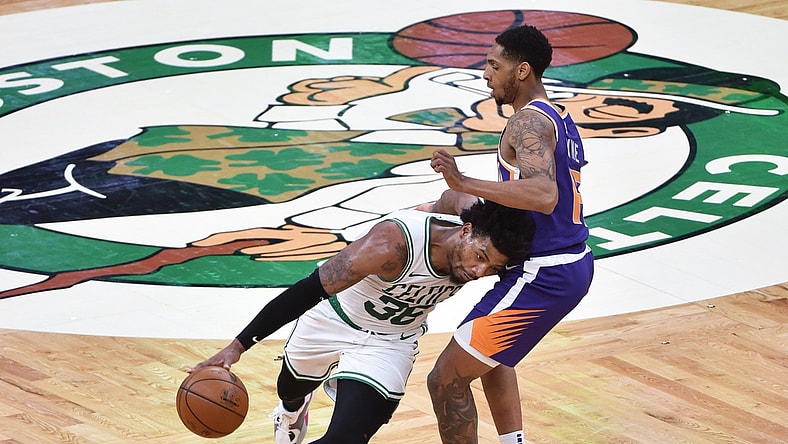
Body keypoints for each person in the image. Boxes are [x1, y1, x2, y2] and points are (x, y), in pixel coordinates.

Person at [190, 199, 536, 444]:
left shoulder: (475, 234)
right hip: (333, 319)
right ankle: (292, 411)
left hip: (390, 343)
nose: (478, 272)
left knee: (345, 438)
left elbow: (455, 198)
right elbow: (307, 291)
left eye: (491, 268)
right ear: (465, 231)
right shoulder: (390, 245)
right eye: (479, 257)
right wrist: (236, 348)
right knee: (290, 389)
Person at [422, 25, 595, 444]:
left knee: (445, 380)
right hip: (554, 265)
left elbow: (542, 195)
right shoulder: (556, 115)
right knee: (490, 356)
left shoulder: (526, 124)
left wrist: (464, 184)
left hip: (545, 273)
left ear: (522, 71)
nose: (486, 74)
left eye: (493, 65)